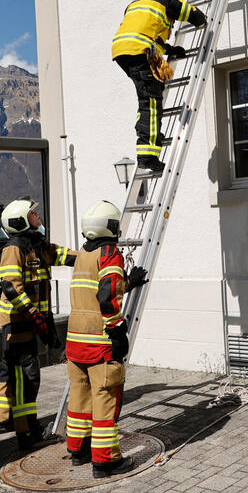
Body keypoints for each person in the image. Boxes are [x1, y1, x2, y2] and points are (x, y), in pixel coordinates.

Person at [64, 200, 149, 478]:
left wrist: (129, 282)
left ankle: (78, 450)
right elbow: (107, 295)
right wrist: (116, 329)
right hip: (100, 343)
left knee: (79, 396)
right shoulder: (110, 253)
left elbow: (97, 288)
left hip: (75, 342)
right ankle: (105, 460)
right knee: (105, 399)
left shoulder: (83, 255)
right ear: (110, 227)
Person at [0, 196, 76, 450]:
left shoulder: (36, 245)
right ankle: (25, 433)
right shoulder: (14, 248)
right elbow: (11, 286)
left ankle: (9, 422)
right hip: (17, 323)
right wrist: (33, 313)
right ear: (21, 222)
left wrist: (91, 257)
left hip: (30, 321)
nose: (38, 219)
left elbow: (61, 255)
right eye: (33, 216)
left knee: (24, 374)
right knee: (25, 376)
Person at [112, 0, 207, 173]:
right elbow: (188, 11)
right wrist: (202, 20)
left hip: (122, 50)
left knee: (148, 93)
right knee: (151, 102)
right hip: (139, 50)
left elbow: (148, 34)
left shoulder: (138, 1)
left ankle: (148, 149)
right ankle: (148, 156)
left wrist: (170, 49)